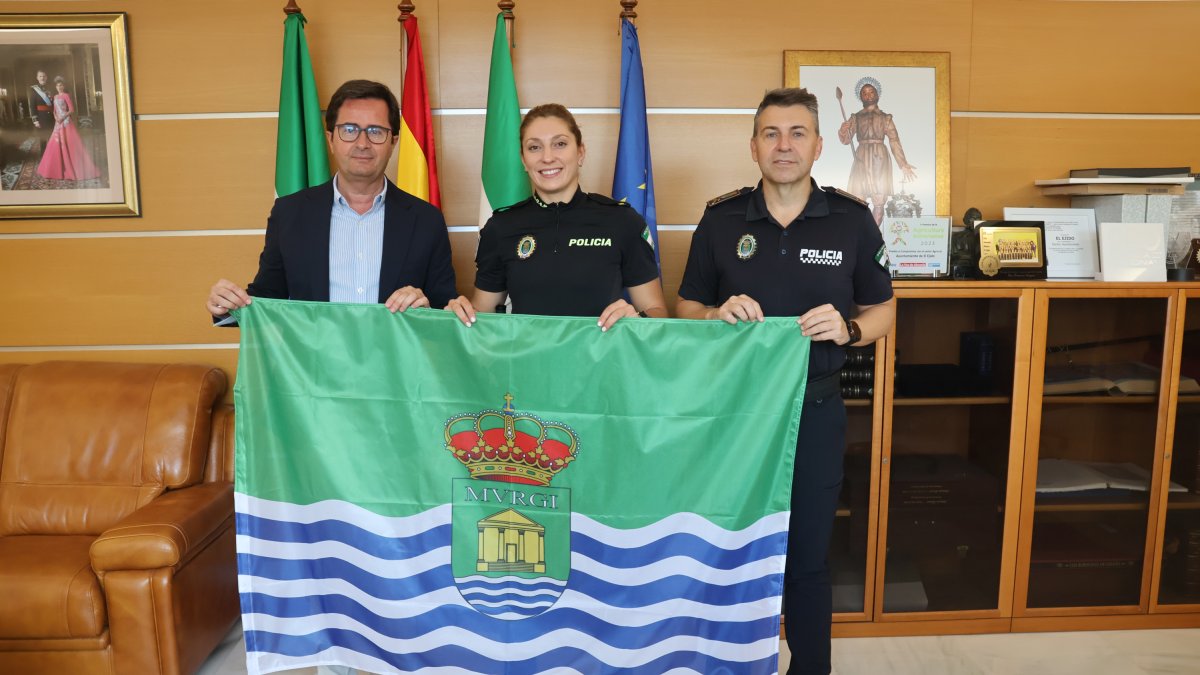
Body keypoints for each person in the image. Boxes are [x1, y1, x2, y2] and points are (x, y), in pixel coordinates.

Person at [676, 88, 895, 675]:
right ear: (753, 146)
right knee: (725, 547)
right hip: (731, 417)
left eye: (797, 133)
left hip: (815, 412)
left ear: (819, 145)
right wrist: (713, 316)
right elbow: (685, 307)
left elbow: (885, 312)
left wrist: (847, 328)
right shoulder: (722, 220)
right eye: (771, 133)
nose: (784, 145)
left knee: (806, 561)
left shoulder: (851, 219)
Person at [207, 79, 456, 321]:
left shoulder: (426, 220)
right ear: (330, 139)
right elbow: (269, 298)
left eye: (375, 131)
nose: (362, 143)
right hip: (315, 362)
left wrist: (427, 308)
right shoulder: (290, 213)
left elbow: (444, 308)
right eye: (349, 130)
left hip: (393, 361)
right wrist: (228, 306)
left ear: (393, 142)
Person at [447, 103, 666, 329]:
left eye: (560, 144)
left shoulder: (623, 221)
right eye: (534, 148)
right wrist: (460, 312)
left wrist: (639, 318)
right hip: (529, 361)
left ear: (580, 152)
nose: (547, 157)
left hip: (602, 362)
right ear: (523, 160)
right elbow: (482, 317)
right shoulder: (501, 227)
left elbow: (658, 313)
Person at [837, 77, 917, 224]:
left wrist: (903, 163)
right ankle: (860, 235)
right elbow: (846, 140)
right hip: (861, 157)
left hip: (879, 159)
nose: (868, 95)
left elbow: (894, 140)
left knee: (879, 200)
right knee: (857, 199)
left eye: (871, 92)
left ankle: (873, 236)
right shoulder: (856, 117)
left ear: (877, 94)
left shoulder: (885, 118)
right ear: (861, 96)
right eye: (864, 93)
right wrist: (844, 130)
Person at [36, 76, 101, 181]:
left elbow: (71, 110)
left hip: (66, 122)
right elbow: (54, 110)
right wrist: (56, 117)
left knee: (69, 144)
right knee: (55, 145)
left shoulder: (66, 96)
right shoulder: (55, 97)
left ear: (63, 86)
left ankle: (72, 168)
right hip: (58, 123)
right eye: (57, 85)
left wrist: (62, 117)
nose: (59, 87)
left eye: (61, 85)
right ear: (56, 87)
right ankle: (55, 170)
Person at [28, 70, 53, 146]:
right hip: (41, 117)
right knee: (43, 139)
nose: (42, 78)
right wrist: (35, 120)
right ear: (37, 78)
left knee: (53, 137)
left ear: (46, 77)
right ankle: (44, 155)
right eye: (40, 76)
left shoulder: (52, 88)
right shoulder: (34, 90)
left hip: (52, 117)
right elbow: (32, 106)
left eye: (44, 76)